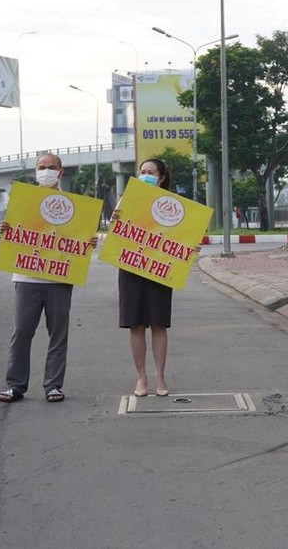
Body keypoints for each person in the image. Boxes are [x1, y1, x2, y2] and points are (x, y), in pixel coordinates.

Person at [0, 153, 93, 403]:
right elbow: (14, 233)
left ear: (61, 172)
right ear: (35, 171)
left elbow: (78, 239)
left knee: (58, 335)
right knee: (21, 332)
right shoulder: (23, 203)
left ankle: (53, 385)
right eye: (42, 167)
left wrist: (89, 240)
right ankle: (15, 385)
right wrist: (5, 230)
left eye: (51, 167)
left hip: (59, 280)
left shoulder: (75, 207)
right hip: (27, 278)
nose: (46, 171)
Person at [116, 158, 176, 397]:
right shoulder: (126, 200)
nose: (146, 175)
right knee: (136, 323)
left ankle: (160, 377)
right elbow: (115, 230)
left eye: (151, 172)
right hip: (131, 266)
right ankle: (141, 377)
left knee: (159, 323)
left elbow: (181, 235)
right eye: (142, 171)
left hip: (159, 268)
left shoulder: (172, 204)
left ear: (160, 178)